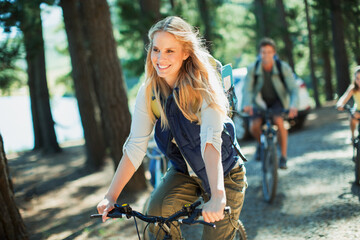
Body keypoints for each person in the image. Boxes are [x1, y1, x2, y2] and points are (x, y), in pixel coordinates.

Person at [97, 16, 247, 240]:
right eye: (156, 50)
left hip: (224, 174)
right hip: (184, 172)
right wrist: (111, 196)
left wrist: (217, 196)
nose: (160, 58)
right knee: (155, 213)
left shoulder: (205, 85)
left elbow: (210, 141)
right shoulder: (149, 91)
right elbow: (136, 146)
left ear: (186, 52)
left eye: (170, 51)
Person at [242, 37, 298, 169]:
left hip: (277, 100)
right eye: (263, 52)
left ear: (274, 53)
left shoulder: (282, 67)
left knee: (279, 121)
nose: (266, 55)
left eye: (269, 52)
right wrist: (247, 104)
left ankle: (283, 157)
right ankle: (261, 144)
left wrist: (293, 105)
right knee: (253, 126)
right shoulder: (253, 68)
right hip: (259, 101)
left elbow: (293, 89)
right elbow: (248, 89)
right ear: (259, 54)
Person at [336, 66, 360, 142]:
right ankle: (352, 136)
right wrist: (340, 104)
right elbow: (344, 98)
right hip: (357, 111)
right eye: (357, 78)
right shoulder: (353, 88)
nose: (359, 81)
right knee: (352, 114)